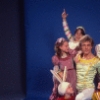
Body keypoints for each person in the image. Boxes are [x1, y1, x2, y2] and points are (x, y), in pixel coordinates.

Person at [74, 35, 100, 99]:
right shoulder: (77, 58)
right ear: (81, 47)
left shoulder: (96, 61)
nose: (86, 47)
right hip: (78, 90)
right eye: (84, 45)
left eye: (88, 45)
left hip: (89, 89)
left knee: (79, 98)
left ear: (91, 46)